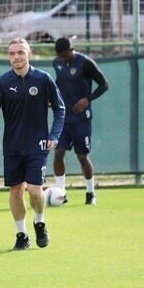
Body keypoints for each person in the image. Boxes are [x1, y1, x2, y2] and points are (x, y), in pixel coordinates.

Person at [0, 37, 66, 250]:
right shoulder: (2, 83)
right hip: (12, 146)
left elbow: (60, 109)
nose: (16, 57)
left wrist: (54, 136)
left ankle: (39, 221)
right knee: (15, 191)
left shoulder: (43, 79)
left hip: (38, 145)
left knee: (34, 189)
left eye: (20, 52)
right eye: (12, 53)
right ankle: (21, 234)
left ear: (29, 54)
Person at [51, 37, 109, 205]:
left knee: (82, 156)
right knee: (58, 152)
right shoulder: (57, 63)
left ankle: (91, 193)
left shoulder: (85, 63)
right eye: (60, 56)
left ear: (71, 50)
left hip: (81, 118)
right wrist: (53, 99)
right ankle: (61, 193)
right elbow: (59, 83)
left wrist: (87, 99)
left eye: (64, 55)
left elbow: (104, 84)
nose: (62, 59)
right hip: (63, 117)